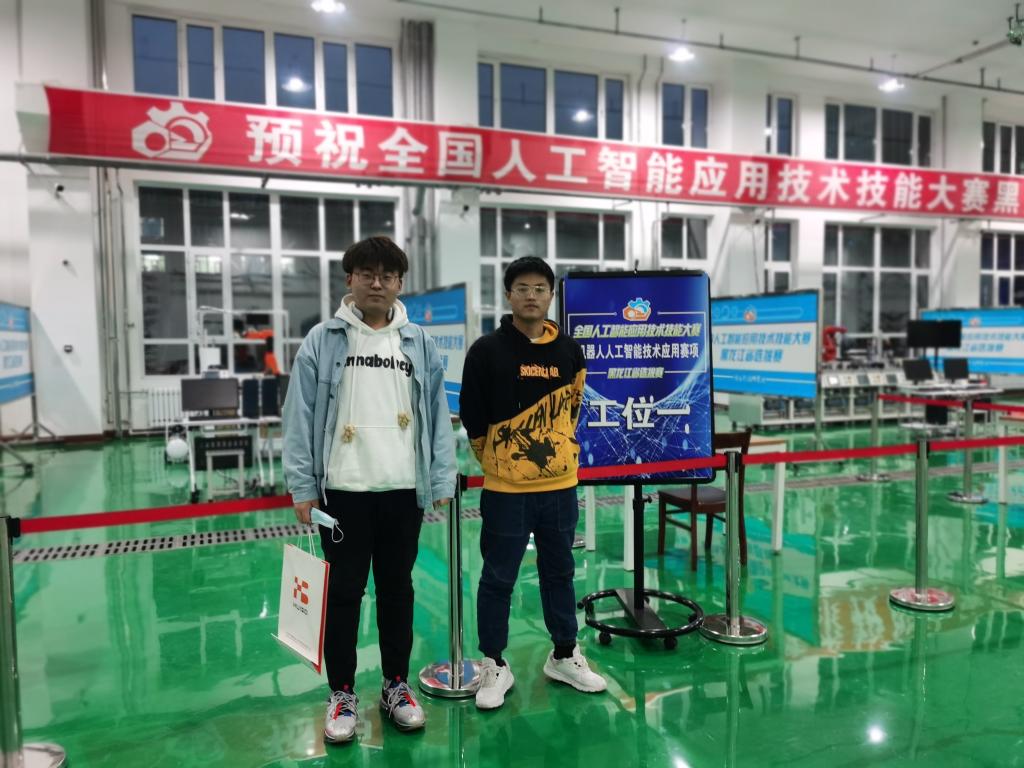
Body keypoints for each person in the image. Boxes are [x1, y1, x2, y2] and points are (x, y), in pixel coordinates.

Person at [282, 236, 456, 743]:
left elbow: (437, 415)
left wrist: (440, 476)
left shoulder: (418, 343)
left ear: (400, 283)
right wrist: (302, 486)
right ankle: (341, 693)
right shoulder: (322, 341)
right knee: (343, 596)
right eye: (366, 274)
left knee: (398, 592)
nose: (377, 283)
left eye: (387, 275)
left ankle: (396, 685)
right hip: (343, 495)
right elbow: (300, 416)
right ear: (350, 280)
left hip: (402, 490)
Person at [459, 256, 607, 711]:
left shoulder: (570, 352)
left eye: (540, 288)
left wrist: (555, 457)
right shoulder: (486, 351)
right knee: (498, 577)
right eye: (521, 287)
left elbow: (573, 409)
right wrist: (500, 462)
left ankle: (564, 654)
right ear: (508, 295)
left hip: (561, 488)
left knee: (559, 572)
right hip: (506, 493)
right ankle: (493, 663)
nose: (531, 295)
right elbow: (473, 416)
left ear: (550, 295)